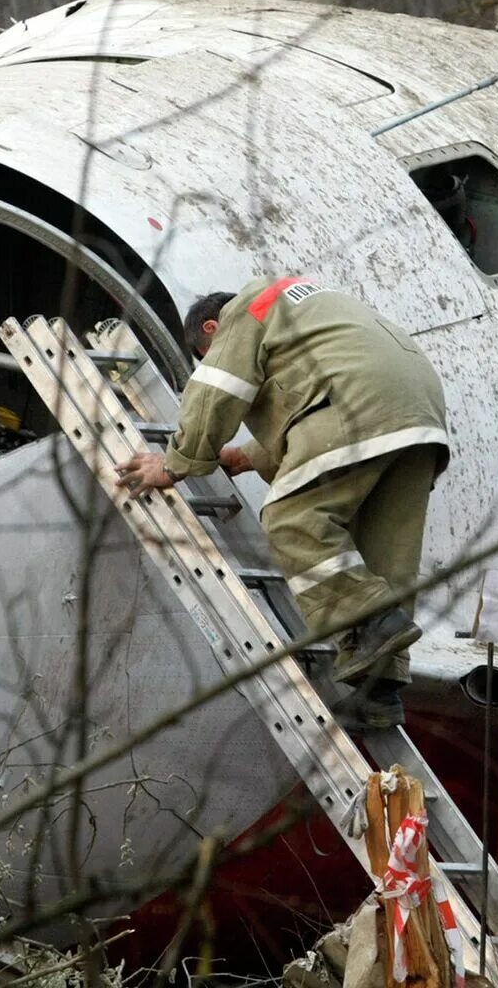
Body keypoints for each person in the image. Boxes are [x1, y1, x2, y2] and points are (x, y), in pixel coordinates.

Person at [114, 276, 449, 728]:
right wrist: (247, 456)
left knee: (290, 518)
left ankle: (371, 619)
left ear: (211, 330)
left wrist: (175, 464)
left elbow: (219, 390)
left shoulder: (246, 308)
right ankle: (378, 692)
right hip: (417, 414)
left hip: (355, 400)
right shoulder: (307, 310)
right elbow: (306, 402)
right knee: (382, 551)